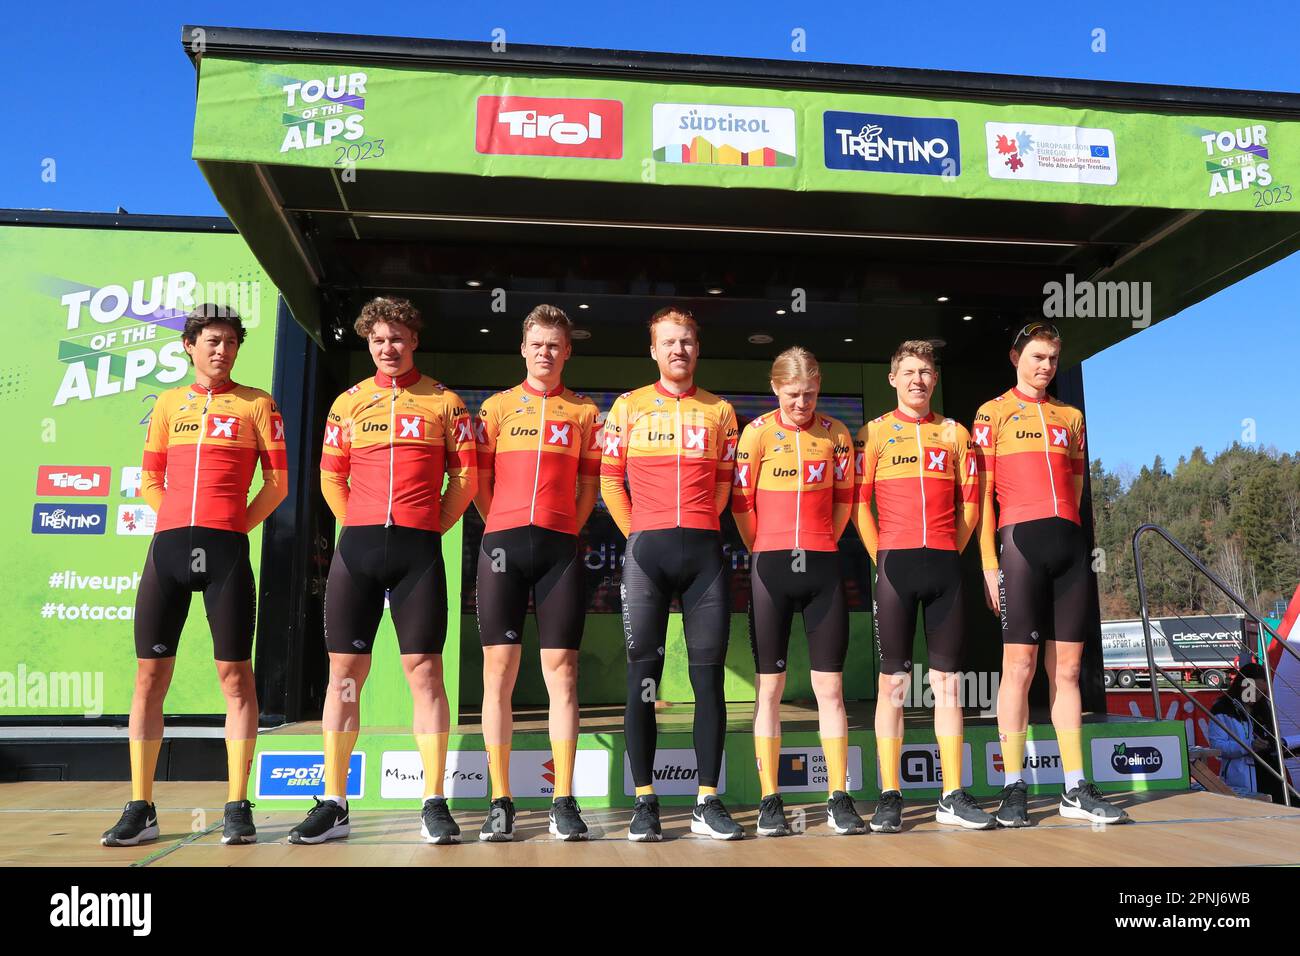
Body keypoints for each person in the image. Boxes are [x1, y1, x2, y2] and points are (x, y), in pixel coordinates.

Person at [289, 297, 477, 845]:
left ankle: (434, 800)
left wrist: (427, 529)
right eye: (377, 340)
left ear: (413, 339)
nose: (387, 348)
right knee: (345, 675)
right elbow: (330, 478)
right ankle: (335, 801)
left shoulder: (446, 402)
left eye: (396, 338)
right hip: (359, 550)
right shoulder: (347, 404)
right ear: (368, 344)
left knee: (425, 673)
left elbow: (464, 479)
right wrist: (361, 529)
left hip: (419, 549)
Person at [102, 304, 287, 847]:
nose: (221, 350)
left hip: (226, 550)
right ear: (190, 345)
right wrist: (177, 520)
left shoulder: (259, 404)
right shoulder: (166, 403)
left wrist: (231, 526)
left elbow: (276, 485)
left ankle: (236, 805)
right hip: (168, 550)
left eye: (231, 342)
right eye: (211, 340)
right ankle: (141, 806)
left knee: (235, 677)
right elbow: (150, 478)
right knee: (148, 678)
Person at [974, 322, 1127, 826]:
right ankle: (1014, 786)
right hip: (1018, 544)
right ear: (1016, 355)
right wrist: (989, 564)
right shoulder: (991, 413)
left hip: (1069, 547)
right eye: (1037, 357)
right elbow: (982, 495)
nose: (1045, 367)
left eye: (1052, 360)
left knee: (1066, 672)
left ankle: (1074, 787)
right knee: (1018, 668)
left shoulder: (1071, 416)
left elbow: (1077, 484)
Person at [601, 307, 742, 841]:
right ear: (653, 350)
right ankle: (645, 801)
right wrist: (639, 533)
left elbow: (727, 483)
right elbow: (611, 481)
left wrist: (700, 522)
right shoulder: (628, 406)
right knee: (643, 679)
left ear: (696, 349)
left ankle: (708, 799)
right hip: (646, 555)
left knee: (709, 681)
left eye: (687, 340)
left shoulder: (722, 411)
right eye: (668, 341)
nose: (678, 349)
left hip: (705, 553)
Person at [472, 305, 601, 842]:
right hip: (501, 545)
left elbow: (591, 486)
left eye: (556, 345)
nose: (546, 352)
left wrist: (563, 527)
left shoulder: (586, 412)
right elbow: (479, 482)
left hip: (559, 548)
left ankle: (563, 799)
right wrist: (501, 525)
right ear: (523, 349)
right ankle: (500, 799)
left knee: (563, 674)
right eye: (538, 344)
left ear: (567, 351)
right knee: (498, 672)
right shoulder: (496, 408)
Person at [854, 339, 993, 831]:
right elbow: (858, 505)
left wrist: (946, 552)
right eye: (909, 371)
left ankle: (952, 794)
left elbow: (972, 507)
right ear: (893, 378)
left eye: (926, 372)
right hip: (893, 567)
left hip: (944, 570)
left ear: (935, 380)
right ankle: (889, 793)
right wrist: (883, 557)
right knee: (893, 683)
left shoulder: (955, 434)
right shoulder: (872, 433)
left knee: (948, 686)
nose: (918, 379)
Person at [732, 347, 863, 836]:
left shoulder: (837, 434)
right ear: (775, 389)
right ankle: (771, 801)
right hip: (770, 569)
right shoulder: (757, 433)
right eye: (792, 395)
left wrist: (820, 542)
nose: (801, 403)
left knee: (830, 689)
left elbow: (845, 500)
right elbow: (742, 503)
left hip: (822, 567)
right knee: (770, 688)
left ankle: (838, 796)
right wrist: (764, 548)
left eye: (809, 394)